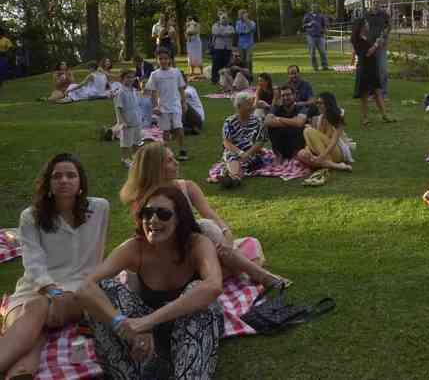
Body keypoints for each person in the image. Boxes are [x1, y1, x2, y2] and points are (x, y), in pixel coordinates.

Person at [76, 186, 223, 380]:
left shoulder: (197, 244)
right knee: (102, 290)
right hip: (147, 333)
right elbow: (85, 287)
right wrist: (125, 326)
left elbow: (213, 286)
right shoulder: (134, 248)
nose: (153, 220)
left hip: (189, 326)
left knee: (199, 292)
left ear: (180, 218)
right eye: (147, 213)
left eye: (163, 214)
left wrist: (146, 322)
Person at [0, 154, 109, 378]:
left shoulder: (99, 209)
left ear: (81, 183)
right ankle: (21, 373)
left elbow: (95, 260)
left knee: (35, 313)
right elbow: (34, 263)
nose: (64, 180)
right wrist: (52, 292)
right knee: (35, 312)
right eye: (57, 176)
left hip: (77, 292)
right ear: (48, 184)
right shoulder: (31, 217)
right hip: (34, 290)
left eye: (71, 175)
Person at [120, 142, 286, 287]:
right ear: (156, 168)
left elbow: (211, 214)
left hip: (206, 249)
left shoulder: (186, 187)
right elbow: (148, 240)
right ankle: (252, 274)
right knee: (210, 231)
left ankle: (231, 272)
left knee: (234, 239)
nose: (176, 163)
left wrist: (226, 235)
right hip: (175, 259)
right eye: (170, 161)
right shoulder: (144, 201)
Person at [145, 47, 188, 161]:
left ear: (169, 59)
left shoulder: (176, 72)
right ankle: (167, 153)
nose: (163, 61)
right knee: (166, 130)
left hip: (175, 105)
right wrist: (155, 107)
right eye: (160, 59)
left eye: (165, 58)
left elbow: (181, 89)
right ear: (157, 60)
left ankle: (182, 149)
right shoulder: (155, 74)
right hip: (162, 106)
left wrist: (184, 103)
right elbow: (153, 92)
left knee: (178, 127)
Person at [217, 92, 268, 187]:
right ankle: (236, 178)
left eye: (251, 104)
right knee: (232, 156)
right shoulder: (229, 122)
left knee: (245, 160)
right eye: (248, 104)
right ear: (239, 106)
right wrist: (240, 153)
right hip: (235, 151)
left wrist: (247, 154)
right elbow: (226, 142)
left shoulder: (257, 121)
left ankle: (231, 176)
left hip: (252, 152)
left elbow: (260, 141)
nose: (252, 107)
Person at [350, 18, 393, 125]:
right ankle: (365, 118)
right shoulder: (357, 40)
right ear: (362, 27)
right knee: (364, 95)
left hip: (372, 67)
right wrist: (376, 44)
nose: (368, 25)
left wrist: (381, 41)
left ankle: (385, 115)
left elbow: (371, 50)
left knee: (377, 92)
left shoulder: (365, 38)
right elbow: (367, 53)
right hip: (364, 69)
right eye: (366, 24)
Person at [297, 92, 353, 172]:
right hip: (322, 152)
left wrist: (321, 157)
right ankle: (336, 166)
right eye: (317, 103)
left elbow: (333, 142)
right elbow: (312, 141)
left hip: (336, 151)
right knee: (301, 154)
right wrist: (307, 151)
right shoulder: (318, 118)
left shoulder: (338, 116)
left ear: (328, 104)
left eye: (320, 103)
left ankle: (324, 163)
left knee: (308, 130)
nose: (318, 105)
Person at [265, 86, 308, 160]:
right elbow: (267, 121)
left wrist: (279, 119)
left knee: (300, 128)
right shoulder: (276, 108)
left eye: (288, 95)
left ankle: (295, 156)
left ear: (294, 95)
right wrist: (292, 121)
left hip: (296, 147)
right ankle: (279, 155)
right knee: (272, 128)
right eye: (283, 95)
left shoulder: (301, 107)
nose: (285, 98)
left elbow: (299, 122)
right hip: (281, 146)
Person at [116, 69, 143, 168]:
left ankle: (135, 158)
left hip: (136, 120)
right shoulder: (121, 92)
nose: (131, 79)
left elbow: (137, 105)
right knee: (126, 142)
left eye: (132, 77)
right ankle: (125, 159)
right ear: (122, 79)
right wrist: (122, 121)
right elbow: (119, 108)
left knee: (137, 141)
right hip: (127, 121)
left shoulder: (134, 91)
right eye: (128, 77)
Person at [365, 0, 391, 97]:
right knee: (371, 70)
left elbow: (389, 26)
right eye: (374, 2)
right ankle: (372, 92)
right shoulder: (366, 15)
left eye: (377, 2)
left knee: (383, 69)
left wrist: (384, 36)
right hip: (370, 46)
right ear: (370, 3)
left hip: (381, 45)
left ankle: (384, 92)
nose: (375, 4)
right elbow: (363, 28)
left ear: (379, 3)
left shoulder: (384, 14)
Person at [302, 4, 329, 71]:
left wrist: (325, 30)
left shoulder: (320, 15)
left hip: (320, 36)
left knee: (323, 52)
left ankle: (325, 66)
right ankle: (315, 67)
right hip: (311, 36)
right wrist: (309, 24)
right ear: (311, 8)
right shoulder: (307, 16)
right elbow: (303, 26)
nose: (314, 8)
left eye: (316, 7)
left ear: (317, 8)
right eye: (313, 7)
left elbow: (324, 25)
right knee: (312, 52)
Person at [210, 11, 235, 84]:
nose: (225, 19)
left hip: (228, 48)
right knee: (216, 64)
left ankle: (225, 80)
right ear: (220, 19)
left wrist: (222, 33)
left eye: (226, 18)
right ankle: (214, 79)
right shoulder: (215, 25)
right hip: (218, 48)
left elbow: (232, 34)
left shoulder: (231, 26)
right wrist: (226, 33)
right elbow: (216, 33)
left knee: (226, 64)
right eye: (223, 18)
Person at [182, 71, 205, 135]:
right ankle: (189, 130)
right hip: (189, 120)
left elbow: (184, 95)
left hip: (197, 119)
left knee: (182, 103)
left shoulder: (190, 89)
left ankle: (182, 127)